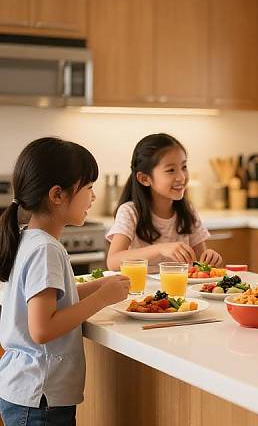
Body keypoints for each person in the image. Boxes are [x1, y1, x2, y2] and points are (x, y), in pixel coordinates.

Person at [0, 137, 130, 426]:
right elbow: (42, 329)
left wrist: (96, 287)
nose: (93, 198)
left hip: (28, 392)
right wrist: (101, 299)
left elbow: (43, 300)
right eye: (89, 188)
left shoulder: (27, 238)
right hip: (40, 397)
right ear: (57, 195)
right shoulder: (46, 248)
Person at [106, 133, 222, 273]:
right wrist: (160, 249)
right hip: (142, 292)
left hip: (180, 293)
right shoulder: (130, 212)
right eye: (171, 170)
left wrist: (210, 259)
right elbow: (113, 262)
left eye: (184, 167)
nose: (181, 177)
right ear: (144, 179)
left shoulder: (187, 211)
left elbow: (201, 264)